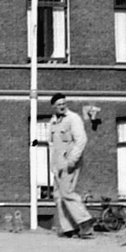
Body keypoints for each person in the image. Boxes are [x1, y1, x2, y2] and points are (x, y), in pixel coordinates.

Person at [48, 93, 91, 238]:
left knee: (67, 192)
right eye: (58, 104)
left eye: (63, 104)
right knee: (58, 196)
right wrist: (53, 165)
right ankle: (69, 228)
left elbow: (81, 140)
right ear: (53, 107)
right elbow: (52, 145)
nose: (62, 107)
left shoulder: (73, 119)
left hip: (69, 162)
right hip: (58, 164)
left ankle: (85, 221)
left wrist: (72, 160)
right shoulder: (53, 122)